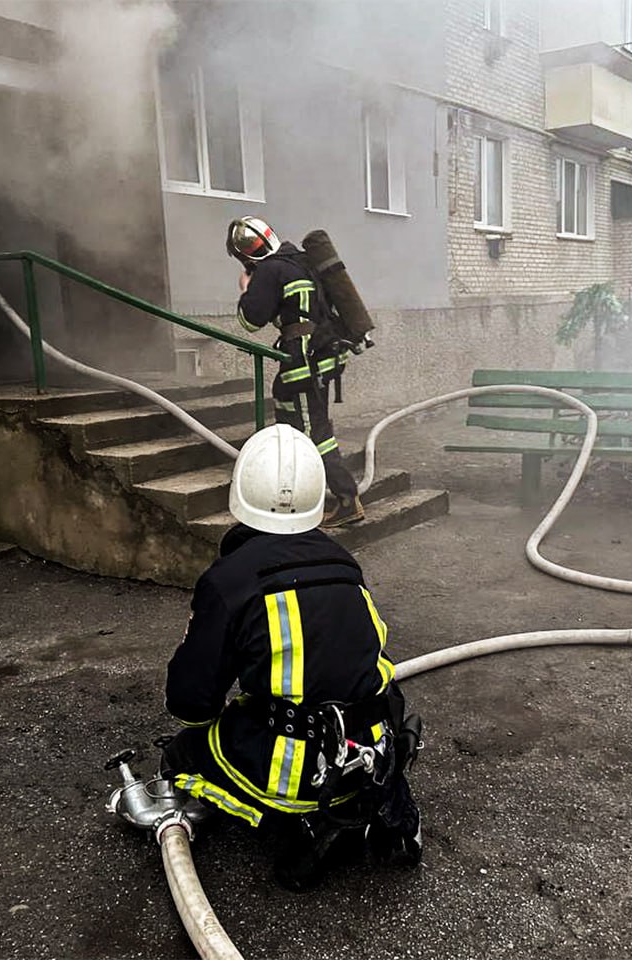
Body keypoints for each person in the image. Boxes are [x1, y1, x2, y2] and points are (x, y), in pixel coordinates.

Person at [160, 424, 422, 891]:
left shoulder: (227, 582)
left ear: (239, 493)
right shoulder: (345, 564)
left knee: (183, 753)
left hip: (297, 771)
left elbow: (190, 703)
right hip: (373, 752)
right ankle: (376, 804)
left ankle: (299, 822)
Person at [226, 216, 364, 528]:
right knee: (291, 422)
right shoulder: (301, 260)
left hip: (303, 364)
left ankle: (346, 498)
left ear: (245, 257)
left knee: (315, 434)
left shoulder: (269, 270)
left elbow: (250, 320)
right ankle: (296, 487)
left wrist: (246, 288)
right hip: (322, 357)